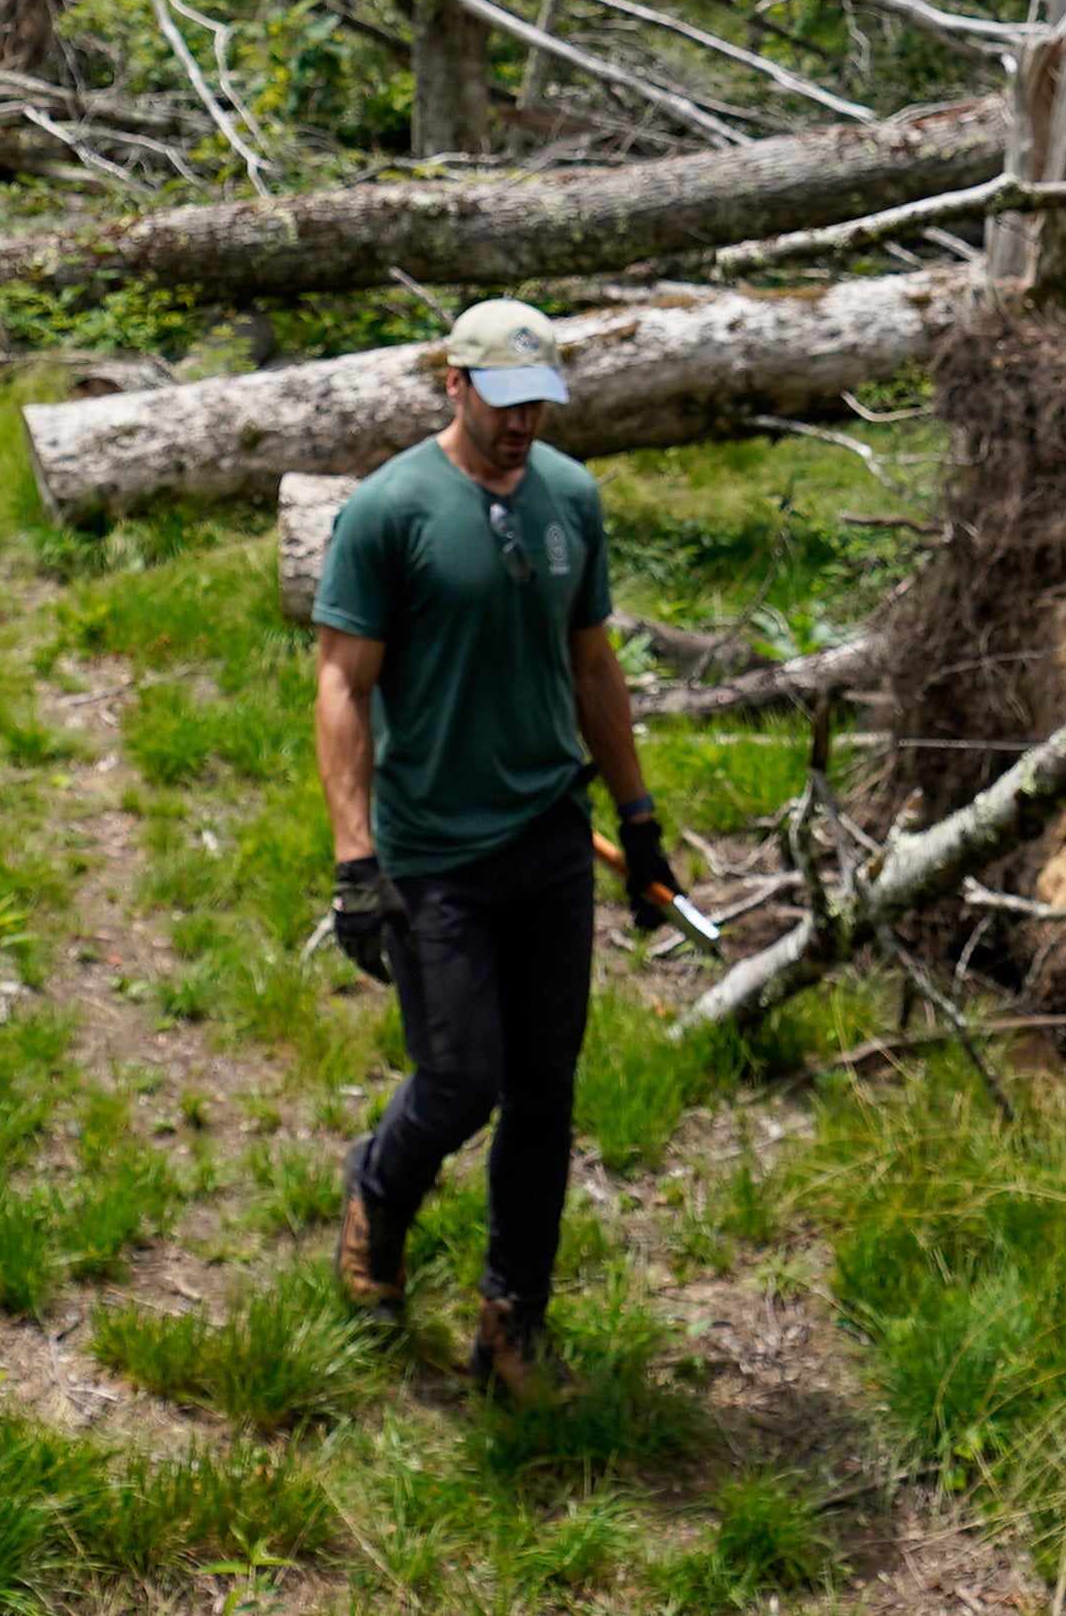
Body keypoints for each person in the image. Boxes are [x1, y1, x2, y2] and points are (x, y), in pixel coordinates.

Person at [311, 292, 689, 1402]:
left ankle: (510, 1325)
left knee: (544, 1088)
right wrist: (354, 864)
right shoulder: (390, 511)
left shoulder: (571, 497)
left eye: (540, 401)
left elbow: (591, 665)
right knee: (460, 1079)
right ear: (454, 385)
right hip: (433, 850)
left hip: (548, 838)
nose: (523, 422)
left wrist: (639, 819)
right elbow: (341, 684)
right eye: (503, 400)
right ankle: (377, 1192)